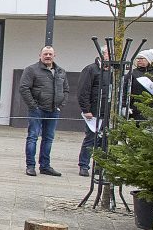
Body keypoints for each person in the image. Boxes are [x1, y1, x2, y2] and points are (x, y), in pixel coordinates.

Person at [18, 45, 68, 176]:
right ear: (40, 55)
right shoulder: (31, 70)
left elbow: (66, 90)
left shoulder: (61, 71)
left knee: (48, 138)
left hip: (54, 110)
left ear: (54, 56)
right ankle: (30, 166)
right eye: (45, 54)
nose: (48, 56)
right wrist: (33, 106)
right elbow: (24, 88)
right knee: (33, 137)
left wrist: (61, 104)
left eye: (50, 54)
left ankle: (45, 166)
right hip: (37, 110)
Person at [77, 55, 103, 176]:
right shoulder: (91, 69)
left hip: (107, 111)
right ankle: (84, 165)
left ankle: (99, 166)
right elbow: (83, 90)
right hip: (93, 112)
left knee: (104, 140)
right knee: (90, 139)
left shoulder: (114, 70)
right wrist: (86, 109)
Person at [129, 49, 153, 119]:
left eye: (142, 58)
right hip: (136, 108)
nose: (138, 60)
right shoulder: (133, 73)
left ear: (149, 60)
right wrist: (125, 106)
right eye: (138, 58)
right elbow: (125, 89)